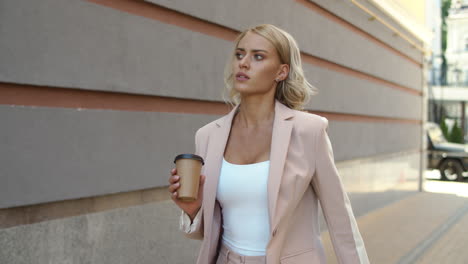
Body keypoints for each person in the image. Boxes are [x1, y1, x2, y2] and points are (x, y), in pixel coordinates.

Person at [168, 24, 369, 264]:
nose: (244, 63)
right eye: (240, 54)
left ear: (281, 72)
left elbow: (341, 221)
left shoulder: (309, 131)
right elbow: (207, 231)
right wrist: (191, 209)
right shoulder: (208, 135)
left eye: (258, 57)